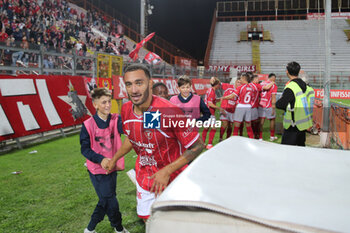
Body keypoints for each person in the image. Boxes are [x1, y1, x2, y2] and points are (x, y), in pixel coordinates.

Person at [107, 64, 205, 220]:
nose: (134, 90)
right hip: (144, 176)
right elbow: (132, 138)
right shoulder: (126, 109)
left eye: (139, 83)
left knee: (176, 223)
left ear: (150, 83)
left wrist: (166, 171)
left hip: (173, 178)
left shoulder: (169, 111)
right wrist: (114, 159)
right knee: (150, 220)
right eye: (129, 84)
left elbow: (198, 145)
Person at [80, 88, 128, 233]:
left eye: (109, 102)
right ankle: (119, 228)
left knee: (106, 200)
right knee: (110, 200)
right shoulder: (87, 125)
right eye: (103, 102)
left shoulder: (116, 119)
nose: (107, 105)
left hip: (112, 167)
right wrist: (100, 159)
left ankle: (90, 229)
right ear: (95, 105)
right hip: (97, 170)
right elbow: (85, 149)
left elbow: (126, 129)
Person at [276, 61, 314, 146]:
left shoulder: (291, 86)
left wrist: (280, 100)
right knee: (300, 150)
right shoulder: (304, 85)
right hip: (302, 124)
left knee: (287, 152)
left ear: (287, 71)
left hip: (292, 124)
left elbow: (280, 104)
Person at [222, 73, 255, 139]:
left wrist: (223, 98)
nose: (240, 80)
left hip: (241, 106)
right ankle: (252, 139)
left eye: (241, 78)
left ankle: (235, 140)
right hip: (248, 106)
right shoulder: (251, 88)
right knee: (248, 125)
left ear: (243, 78)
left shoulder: (241, 87)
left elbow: (232, 96)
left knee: (237, 124)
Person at [202, 77, 226, 149]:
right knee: (213, 128)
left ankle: (203, 143)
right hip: (209, 112)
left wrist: (220, 99)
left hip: (207, 112)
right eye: (219, 84)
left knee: (206, 128)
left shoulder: (210, 90)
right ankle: (209, 144)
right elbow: (210, 104)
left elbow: (213, 101)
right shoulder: (211, 92)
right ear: (216, 84)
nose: (219, 86)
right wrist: (219, 108)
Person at [219, 77, 240, 141]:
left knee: (230, 126)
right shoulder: (229, 86)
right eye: (238, 82)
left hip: (233, 111)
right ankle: (220, 138)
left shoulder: (240, 90)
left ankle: (228, 139)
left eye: (240, 82)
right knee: (225, 124)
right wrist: (214, 79)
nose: (239, 84)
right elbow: (219, 83)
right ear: (235, 82)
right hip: (225, 109)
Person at [258, 73, 278, 141]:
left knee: (261, 121)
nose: (275, 80)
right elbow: (273, 96)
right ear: (273, 78)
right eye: (275, 79)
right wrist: (273, 106)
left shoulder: (261, 83)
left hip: (261, 104)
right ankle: (272, 137)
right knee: (272, 120)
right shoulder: (273, 85)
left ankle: (260, 137)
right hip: (269, 105)